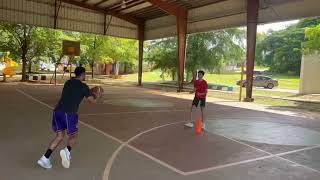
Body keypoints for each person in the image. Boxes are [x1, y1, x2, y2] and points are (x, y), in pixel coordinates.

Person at [37, 66, 100, 169]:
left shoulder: (68, 82)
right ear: (83, 74)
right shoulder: (83, 86)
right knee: (73, 136)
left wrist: (89, 92)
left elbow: (74, 93)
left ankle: (45, 158)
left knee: (60, 136)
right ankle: (67, 151)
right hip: (69, 113)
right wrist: (96, 95)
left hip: (57, 111)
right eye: (85, 75)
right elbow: (92, 101)